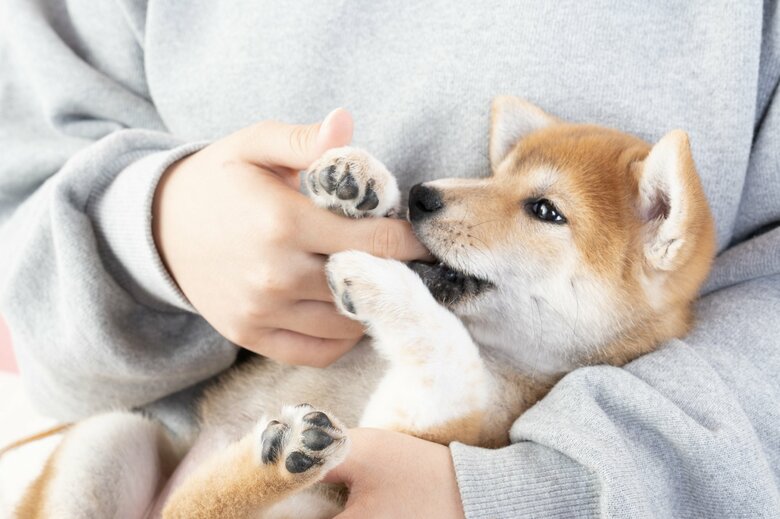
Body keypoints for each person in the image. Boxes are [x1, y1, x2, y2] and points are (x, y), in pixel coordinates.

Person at [0, 1, 778, 517]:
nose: (441, 199)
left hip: (455, 481)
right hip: (165, 436)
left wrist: (535, 492)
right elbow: (22, 193)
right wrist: (152, 228)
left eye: (543, 211)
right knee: (107, 446)